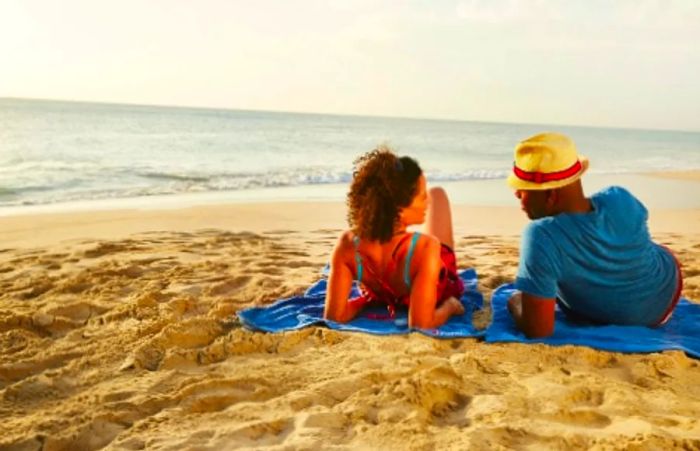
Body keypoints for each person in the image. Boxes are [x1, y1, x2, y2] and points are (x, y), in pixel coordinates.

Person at [506, 132, 683, 338]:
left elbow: (539, 330)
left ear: (550, 195)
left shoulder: (542, 235)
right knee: (645, 245)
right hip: (667, 291)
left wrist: (516, 303)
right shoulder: (620, 197)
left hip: (629, 319)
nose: (517, 193)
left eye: (523, 189)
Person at [323, 146, 465, 329]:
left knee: (433, 196)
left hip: (384, 291)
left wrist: (365, 301)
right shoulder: (427, 247)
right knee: (438, 194)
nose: (426, 202)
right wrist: (450, 307)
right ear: (398, 208)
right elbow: (422, 324)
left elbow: (335, 316)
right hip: (430, 276)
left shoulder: (347, 244)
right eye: (421, 197)